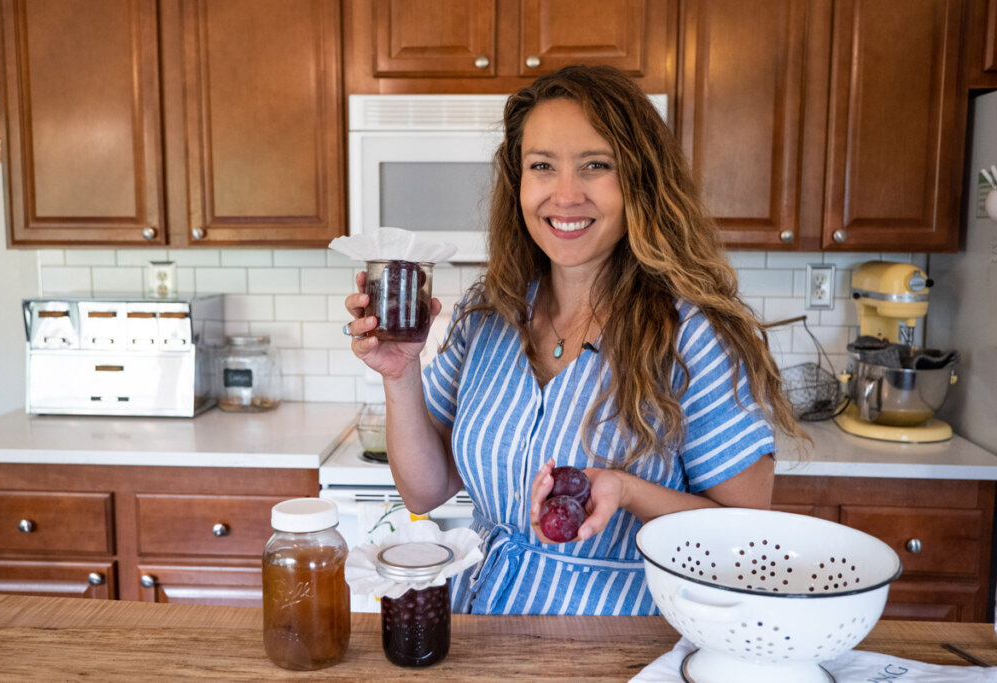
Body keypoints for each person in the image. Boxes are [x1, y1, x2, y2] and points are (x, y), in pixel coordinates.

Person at [343, 64, 806, 616]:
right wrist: (400, 375)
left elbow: (745, 536)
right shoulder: (489, 313)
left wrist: (626, 489)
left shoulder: (691, 336)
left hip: (620, 649)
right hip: (484, 633)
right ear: (519, 183)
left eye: (595, 166)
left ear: (639, 180)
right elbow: (426, 490)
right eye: (543, 166)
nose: (566, 195)